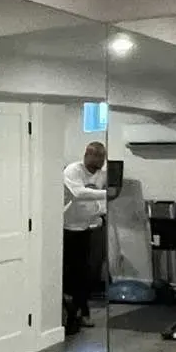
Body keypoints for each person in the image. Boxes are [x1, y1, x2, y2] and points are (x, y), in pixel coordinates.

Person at [62, 139, 110, 330]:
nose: (99, 161)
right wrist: (108, 194)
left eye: (102, 157)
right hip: (67, 228)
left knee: (86, 273)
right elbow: (78, 193)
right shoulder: (73, 171)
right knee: (69, 273)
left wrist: (101, 209)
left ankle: (84, 312)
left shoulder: (101, 175)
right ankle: (69, 313)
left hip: (88, 228)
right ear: (86, 155)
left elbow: (101, 199)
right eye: (96, 156)